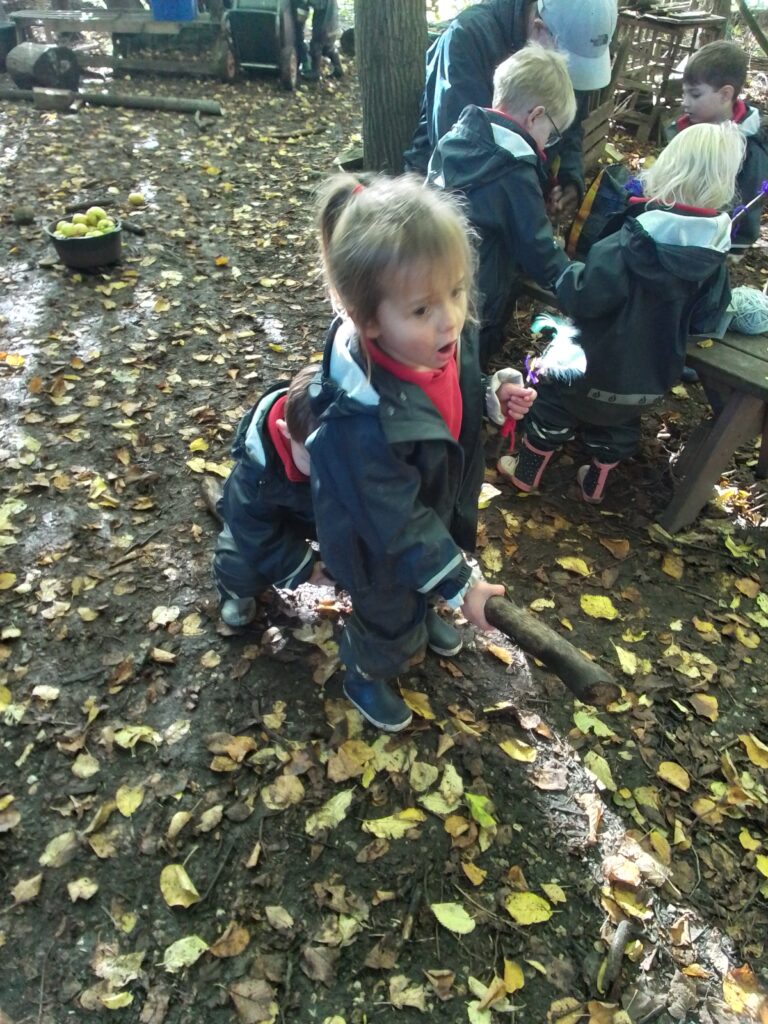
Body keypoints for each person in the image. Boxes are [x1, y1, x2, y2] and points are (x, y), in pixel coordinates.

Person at [308, 175, 535, 732]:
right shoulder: (357, 419)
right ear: (368, 321)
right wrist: (460, 583)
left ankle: (428, 602)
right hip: (377, 548)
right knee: (390, 617)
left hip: (435, 511)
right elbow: (396, 523)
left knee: (428, 579)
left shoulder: (441, 340)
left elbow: (454, 396)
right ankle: (368, 669)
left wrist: (492, 395)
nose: (451, 318)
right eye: (421, 309)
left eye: (456, 292)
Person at [506, 122, 745, 504]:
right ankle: (594, 483)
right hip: (647, 382)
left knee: (552, 406)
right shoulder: (713, 258)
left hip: (585, 368)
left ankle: (526, 472)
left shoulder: (629, 242)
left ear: (667, 171)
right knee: (618, 428)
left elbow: (583, 297)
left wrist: (561, 268)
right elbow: (707, 318)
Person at [428, 44, 577, 368]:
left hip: (433, 277)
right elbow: (536, 247)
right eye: (550, 135)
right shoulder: (513, 171)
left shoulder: (457, 137)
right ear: (536, 115)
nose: (547, 145)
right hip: (477, 296)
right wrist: (573, 282)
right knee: (466, 367)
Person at [404, 0, 618, 223]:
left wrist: (569, 178)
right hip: (453, 203)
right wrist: (526, 201)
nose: (569, 81)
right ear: (537, 28)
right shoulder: (469, 37)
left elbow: (570, 127)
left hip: (518, 195)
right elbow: (462, 155)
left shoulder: (562, 46)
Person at [213, 364, 330, 628]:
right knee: (238, 561)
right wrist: (305, 570)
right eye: (315, 461)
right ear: (286, 431)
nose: (329, 472)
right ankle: (235, 593)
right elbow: (255, 531)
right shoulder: (255, 474)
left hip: (319, 517)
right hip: (268, 525)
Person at [666, 39, 768, 255]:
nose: (685, 102)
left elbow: (750, 200)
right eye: (684, 93)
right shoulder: (684, 128)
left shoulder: (748, 147)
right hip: (673, 232)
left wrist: (735, 248)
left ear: (725, 94)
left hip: (714, 246)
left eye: (695, 95)